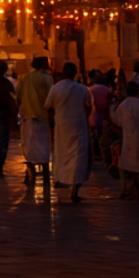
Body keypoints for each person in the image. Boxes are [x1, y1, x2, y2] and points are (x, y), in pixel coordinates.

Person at [45, 62, 92, 203]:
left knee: (61, 153)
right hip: (78, 125)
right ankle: (75, 188)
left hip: (62, 126)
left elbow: (48, 106)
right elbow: (88, 106)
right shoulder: (81, 89)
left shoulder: (55, 89)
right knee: (78, 156)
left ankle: (61, 178)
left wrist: (52, 123)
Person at [110, 80, 139, 199]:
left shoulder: (122, 106)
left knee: (132, 165)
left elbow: (117, 121)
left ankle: (135, 188)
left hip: (130, 139)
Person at [18, 57, 53, 188]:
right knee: (43, 147)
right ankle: (45, 177)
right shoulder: (47, 78)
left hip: (27, 117)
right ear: (44, 64)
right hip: (42, 117)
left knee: (29, 147)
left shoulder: (26, 78)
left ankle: (30, 173)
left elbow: (18, 94)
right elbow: (51, 96)